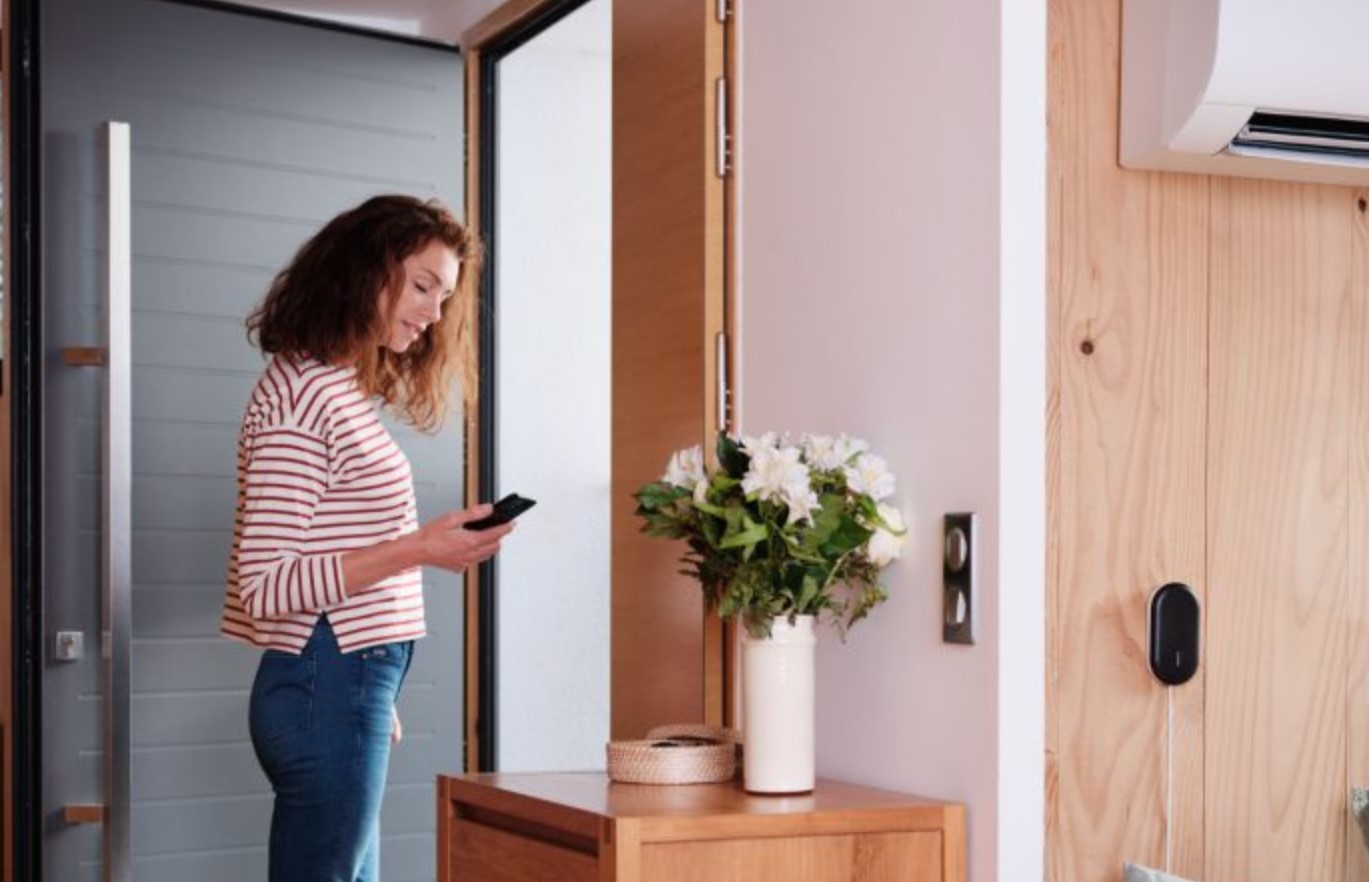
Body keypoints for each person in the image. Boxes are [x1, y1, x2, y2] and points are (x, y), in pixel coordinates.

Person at [219, 194, 512, 882]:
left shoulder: (332, 388)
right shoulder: (301, 399)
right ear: (362, 272)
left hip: (348, 683)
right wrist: (420, 548)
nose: (434, 312)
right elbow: (268, 586)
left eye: (444, 296)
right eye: (422, 285)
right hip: (330, 680)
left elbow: (331, 548)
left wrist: (373, 695)